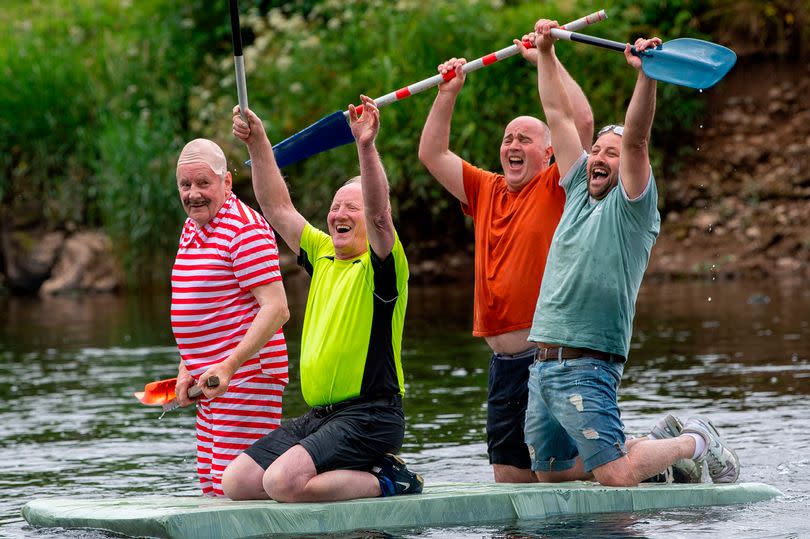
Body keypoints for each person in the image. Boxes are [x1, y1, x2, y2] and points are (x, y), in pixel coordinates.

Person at [524, 20, 741, 487]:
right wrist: (545, 52)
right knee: (553, 477)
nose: (599, 158)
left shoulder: (633, 207)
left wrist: (645, 74)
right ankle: (656, 445)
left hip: (588, 362)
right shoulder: (579, 189)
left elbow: (638, 139)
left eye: (611, 153)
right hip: (540, 364)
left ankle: (697, 442)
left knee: (615, 476)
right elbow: (558, 116)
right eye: (596, 149)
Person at [222, 96, 422, 502]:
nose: (339, 213)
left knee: (282, 483)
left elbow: (381, 214)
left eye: (352, 206)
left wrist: (365, 146)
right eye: (335, 207)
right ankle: (351, 469)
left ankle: (389, 480)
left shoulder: (382, 265)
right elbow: (276, 206)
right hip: (321, 418)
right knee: (238, 482)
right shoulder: (322, 252)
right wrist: (257, 142)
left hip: (371, 414)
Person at [417, 35, 593, 482]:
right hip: (503, 366)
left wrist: (546, 59)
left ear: (548, 151)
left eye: (525, 139)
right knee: (511, 479)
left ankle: (648, 459)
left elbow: (582, 121)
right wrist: (446, 95)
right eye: (507, 138)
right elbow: (432, 154)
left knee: (562, 476)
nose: (513, 145)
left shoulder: (558, 184)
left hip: (548, 359)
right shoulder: (485, 188)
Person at [172, 138, 290, 497]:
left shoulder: (244, 229)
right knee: (212, 485)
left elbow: (277, 308)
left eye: (203, 183)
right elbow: (198, 307)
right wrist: (186, 365)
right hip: (210, 378)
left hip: (246, 376)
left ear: (226, 183)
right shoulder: (193, 227)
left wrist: (230, 364)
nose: (194, 194)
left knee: (234, 488)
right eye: (185, 184)